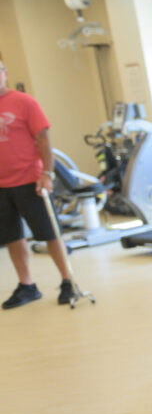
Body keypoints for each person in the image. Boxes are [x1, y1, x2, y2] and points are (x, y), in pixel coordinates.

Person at [0, 61, 77, 310]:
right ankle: (27, 286)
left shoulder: (24, 102)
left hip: (30, 180)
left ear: (5, 74)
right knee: (12, 237)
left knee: (49, 233)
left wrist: (47, 173)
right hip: (1, 185)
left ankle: (68, 280)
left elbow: (43, 138)